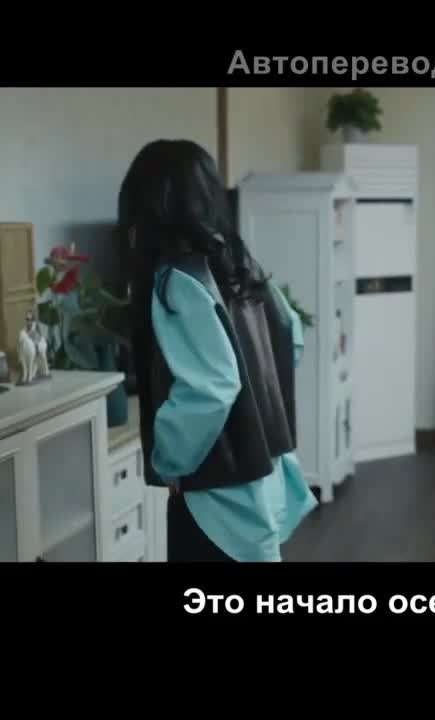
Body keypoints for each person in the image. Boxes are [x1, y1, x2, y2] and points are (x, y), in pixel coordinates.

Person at [118, 139, 317, 562]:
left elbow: (211, 388)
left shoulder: (178, 280)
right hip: (262, 479)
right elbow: (291, 336)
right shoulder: (241, 266)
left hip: (215, 495)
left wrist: (171, 460)